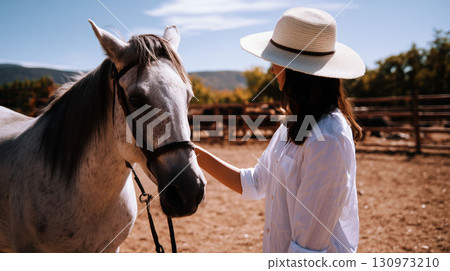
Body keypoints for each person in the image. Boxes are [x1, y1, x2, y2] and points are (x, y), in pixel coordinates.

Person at [194, 7, 365, 253]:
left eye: (278, 62)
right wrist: (190, 151)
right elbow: (254, 183)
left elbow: (307, 252)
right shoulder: (294, 125)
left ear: (296, 71)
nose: (272, 69)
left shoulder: (328, 137)